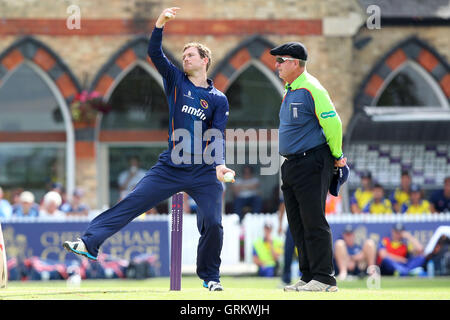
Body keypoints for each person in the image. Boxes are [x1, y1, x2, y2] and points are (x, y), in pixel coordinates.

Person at [63, 7, 235, 292]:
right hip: (170, 166)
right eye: (183, 55)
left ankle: (210, 277)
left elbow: (217, 134)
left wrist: (219, 164)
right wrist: (160, 25)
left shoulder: (218, 99)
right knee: (132, 203)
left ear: (204, 60)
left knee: (214, 223)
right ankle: (89, 243)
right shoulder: (176, 80)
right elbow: (155, 54)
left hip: (204, 170)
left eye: (190, 55)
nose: (185, 58)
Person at [272, 41, 346, 292]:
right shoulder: (291, 89)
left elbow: (333, 124)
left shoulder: (312, 88)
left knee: (313, 220)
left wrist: (337, 155)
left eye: (281, 61)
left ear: (295, 63)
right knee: (298, 224)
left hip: (312, 161)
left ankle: (324, 278)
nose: (277, 65)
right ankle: (307, 276)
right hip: (292, 164)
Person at [277, 196, 296, 286]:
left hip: (304, 221)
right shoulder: (291, 184)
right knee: (288, 252)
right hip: (293, 223)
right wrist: (280, 224)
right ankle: (286, 278)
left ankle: (310, 278)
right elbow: (282, 206)